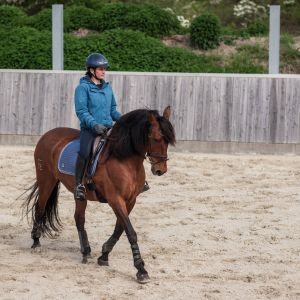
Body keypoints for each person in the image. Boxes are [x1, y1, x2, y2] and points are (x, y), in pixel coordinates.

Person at [73, 53, 121, 201]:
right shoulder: (83, 88)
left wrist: (124, 120)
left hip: (108, 128)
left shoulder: (107, 88)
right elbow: (82, 111)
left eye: (104, 69)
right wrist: (94, 125)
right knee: (85, 152)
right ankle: (79, 185)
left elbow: (113, 109)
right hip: (90, 129)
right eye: (100, 69)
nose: (103, 71)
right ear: (91, 70)